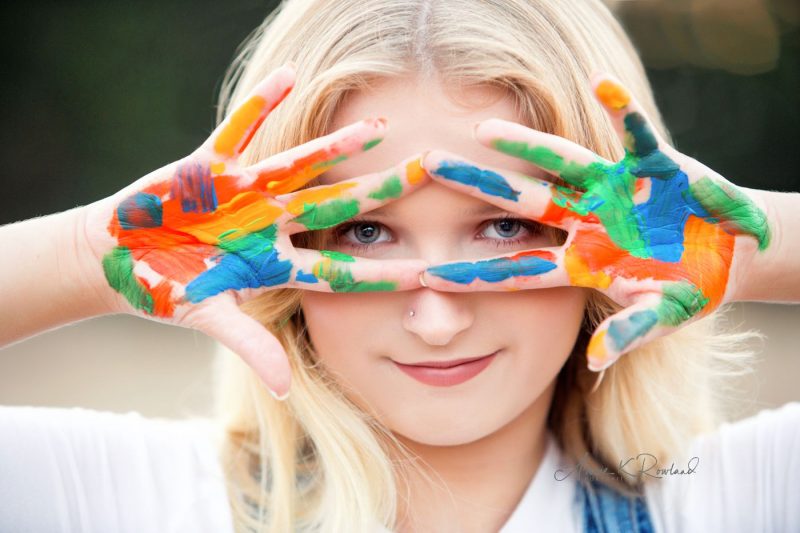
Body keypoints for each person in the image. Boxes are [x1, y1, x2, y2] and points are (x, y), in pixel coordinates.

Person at [1, 0, 799, 531]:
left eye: (505, 224)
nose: (438, 314)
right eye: (364, 232)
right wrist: (84, 255)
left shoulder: (728, 501)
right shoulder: (135, 502)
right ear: (276, 258)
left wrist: (748, 243)